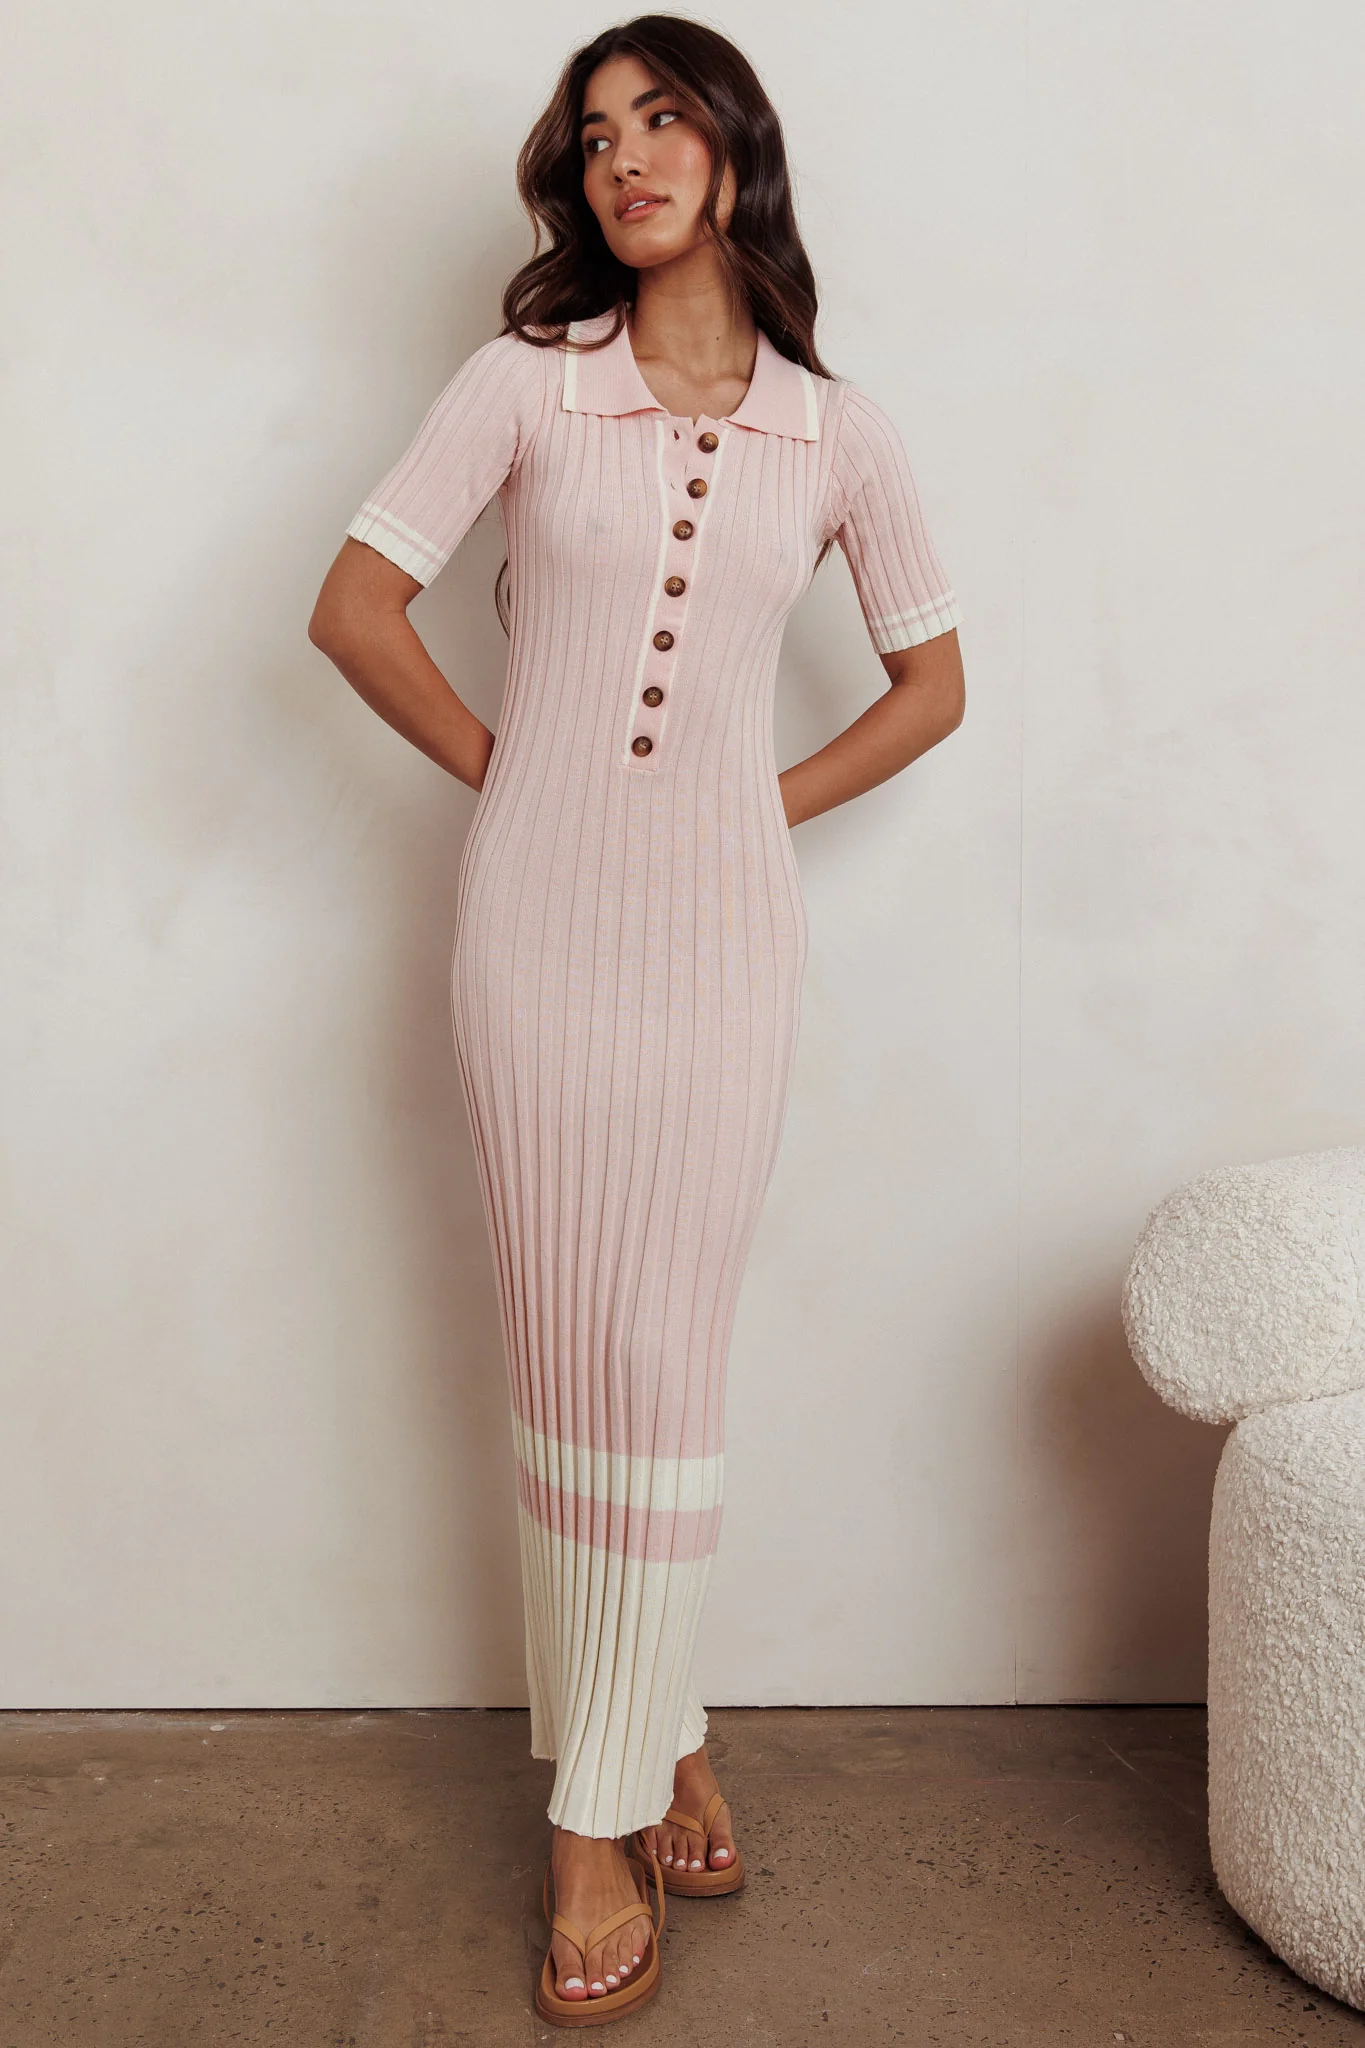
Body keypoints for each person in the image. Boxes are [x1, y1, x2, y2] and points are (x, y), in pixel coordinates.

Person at [309, 13, 965, 2026]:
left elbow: (934, 683)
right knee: (566, 1340)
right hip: (534, 928)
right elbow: (353, 606)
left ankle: (637, 1742)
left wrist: (753, 807)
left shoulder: (837, 434)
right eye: (594, 136)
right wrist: (520, 777)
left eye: (663, 119)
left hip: (725, 940)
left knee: (666, 1352)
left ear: (734, 148)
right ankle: (607, 1794)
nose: (626, 159)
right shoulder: (524, 382)